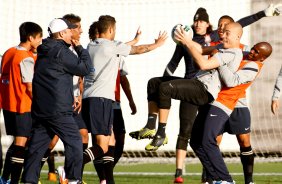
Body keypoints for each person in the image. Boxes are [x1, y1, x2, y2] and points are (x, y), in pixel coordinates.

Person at [128, 4, 281, 183]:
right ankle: (212, 177)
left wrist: (188, 43)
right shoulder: (227, 46)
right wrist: (189, 41)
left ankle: (228, 179)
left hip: (224, 102)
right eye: (220, 27)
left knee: (223, 141)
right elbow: (201, 49)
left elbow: (214, 69)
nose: (222, 31)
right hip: (205, 91)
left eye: (225, 29)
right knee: (196, 140)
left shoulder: (244, 58)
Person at [81, 15, 167, 184]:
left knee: (110, 141)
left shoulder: (90, 46)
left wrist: (134, 40)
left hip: (89, 99)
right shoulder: (112, 46)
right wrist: (157, 44)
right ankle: (72, 167)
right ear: (111, 30)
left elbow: (122, 47)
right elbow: (139, 50)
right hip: (102, 100)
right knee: (103, 146)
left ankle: (106, 180)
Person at [21, 18, 92, 184]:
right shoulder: (61, 51)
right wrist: (80, 48)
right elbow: (86, 68)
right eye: (68, 31)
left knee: (37, 147)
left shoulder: (44, 49)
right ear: (61, 34)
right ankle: (73, 179)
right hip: (58, 109)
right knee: (75, 141)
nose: (70, 34)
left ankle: (29, 180)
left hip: (41, 109)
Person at [189, 42, 272, 184]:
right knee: (204, 140)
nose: (252, 51)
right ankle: (212, 178)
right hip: (216, 101)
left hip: (235, 105)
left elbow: (230, 81)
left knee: (242, 141)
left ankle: (245, 180)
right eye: (253, 48)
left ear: (262, 58)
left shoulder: (253, 66)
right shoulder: (237, 51)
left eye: (256, 52)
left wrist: (219, 60)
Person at [38, 13, 88, 183]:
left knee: (82, 136)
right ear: (67, 31)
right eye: (78, 28)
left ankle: (67, 173)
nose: (81, 31)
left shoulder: (67, 47)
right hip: (59, 104)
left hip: (70, 100)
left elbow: (78, 78)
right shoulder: (60, 49)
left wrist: (78, 95)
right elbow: (83, 69)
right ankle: (67, 175)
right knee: (53, 141)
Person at [88, 21, 138, 184]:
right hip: (100, 100)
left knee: (117, 140)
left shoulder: (115, 52)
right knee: (102, 141)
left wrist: (130, 100)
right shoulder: (91, 51)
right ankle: (104, 178)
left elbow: (123, 79)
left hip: (113, 102)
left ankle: (105, 175)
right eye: (94, 36)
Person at [0, 22, 42, 184]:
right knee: (21, 144)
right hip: (23, 105)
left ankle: (4, 178)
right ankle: (15, 180)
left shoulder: (9, 52)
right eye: (39, 38)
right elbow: (29, 85)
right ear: (30, 38)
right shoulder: (25, 58)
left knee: (19, 142)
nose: (40, 41)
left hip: (9, 104)